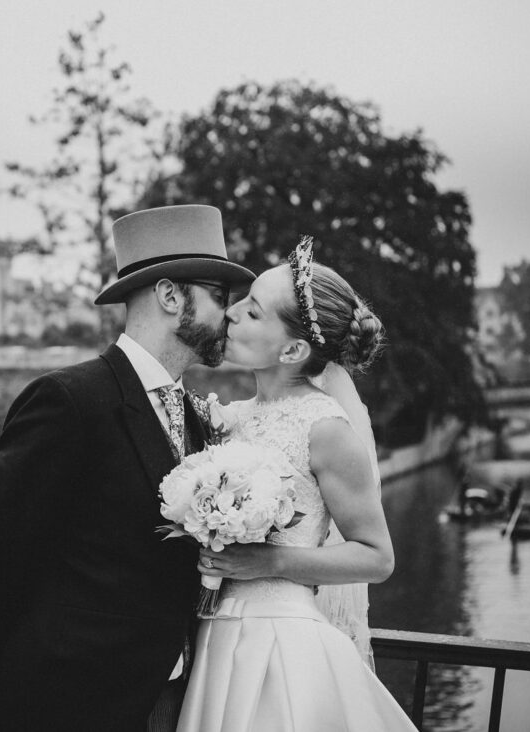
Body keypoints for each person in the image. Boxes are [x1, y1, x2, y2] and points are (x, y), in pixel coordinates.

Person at [0, 205, 255, 731]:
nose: (230, 315)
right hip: (66, 700)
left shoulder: (195, 415)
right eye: (219, 295)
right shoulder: (69, 400)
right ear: (170, 296)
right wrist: (7, 680)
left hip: (171, 699)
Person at [176, 237, 416, 731]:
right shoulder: (228, 418)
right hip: (215, 638)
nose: (233, 312)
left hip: (281, 643)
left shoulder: (325, 429)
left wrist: (272, 561)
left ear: (293, 349)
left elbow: (377, 556)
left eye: (254, 311)